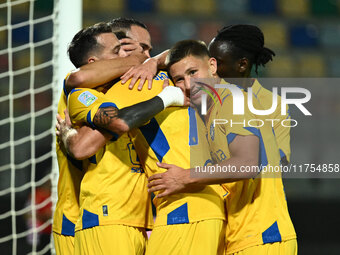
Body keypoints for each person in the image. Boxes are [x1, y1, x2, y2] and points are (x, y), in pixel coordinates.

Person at [59, 23, 226, 255]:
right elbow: (81, 145)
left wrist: (151, 62)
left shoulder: (157, 81)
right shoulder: (88, 93)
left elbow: (186, 54)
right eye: (124, 50)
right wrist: (162, 91)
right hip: (103, 215)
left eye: (148, 49)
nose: (143, 55)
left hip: (149, 216)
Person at [148, 39, 297, 255]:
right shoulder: (211, 108)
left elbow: (246, 164)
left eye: (193, 72)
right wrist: (152, 63)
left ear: (212, 66)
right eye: (179, 79)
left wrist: (184, 177)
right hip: (239, 238)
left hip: (262, 237)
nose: (189, 85)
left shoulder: (232, 101)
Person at [52, 22, 127, 255]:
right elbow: (82, 147)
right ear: (93, 62)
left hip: (126, 217)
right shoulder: (80, 91)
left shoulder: (120, 90)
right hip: (84, 218)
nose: (125, 56)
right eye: (117, 51)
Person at [208, 24, 291, 165]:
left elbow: (280, 161)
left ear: (242, 65)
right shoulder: (207, 95)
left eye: (218, 62)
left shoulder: (273, 104)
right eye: (208, 61)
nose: (211, 68)